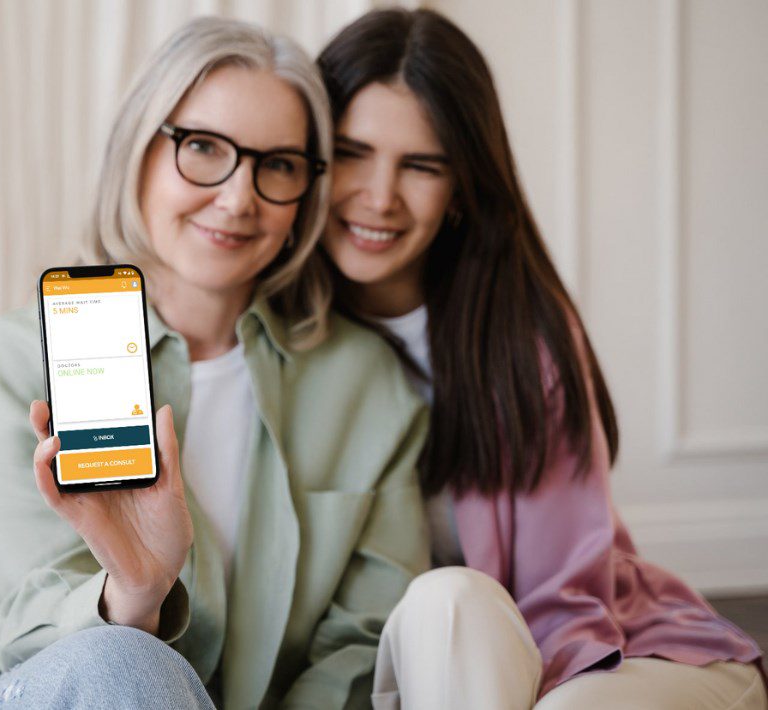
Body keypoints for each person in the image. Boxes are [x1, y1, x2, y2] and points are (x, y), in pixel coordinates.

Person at [0, 16, 430, 710]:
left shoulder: (364, 383)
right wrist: (138, 592)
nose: (239, 198)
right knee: (121, 664)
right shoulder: (25, 356)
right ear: (139, 150)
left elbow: (364, 644)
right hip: (48, 689)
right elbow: (24, 626)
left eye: (278, 165)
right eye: (204, 148)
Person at [316, 8, 766, 710]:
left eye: (422, 165)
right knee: (443, 602)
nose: (378, 196)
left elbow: (566, 604)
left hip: (613, 654)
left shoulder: (518, 336)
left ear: (461, 184)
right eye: (352, 152)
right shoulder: (283, 338)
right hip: (443, 659)